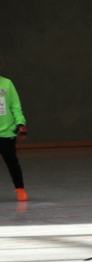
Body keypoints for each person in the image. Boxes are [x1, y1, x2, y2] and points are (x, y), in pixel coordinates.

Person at [0, 58, 27, 202]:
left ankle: (20, 189)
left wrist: (20, 124)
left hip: (6, 133)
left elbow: (15, 107)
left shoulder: (7, 84)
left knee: (12, 162)